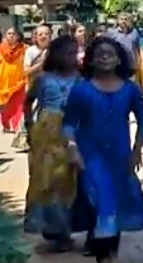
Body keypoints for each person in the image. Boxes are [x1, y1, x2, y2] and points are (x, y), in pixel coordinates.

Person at [62, 37, 143, 263]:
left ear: (119, 59)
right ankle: (105, 258)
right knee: (104, 202)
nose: (104, 57)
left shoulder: (130, 90)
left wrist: (137, 150)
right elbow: (69, 123)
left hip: (121, 157)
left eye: (110, 53)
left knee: (115, 204)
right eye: (99, 53)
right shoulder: (81, 90)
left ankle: (110, 253)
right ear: (90, 60)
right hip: (90, 156)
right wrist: (72, 148)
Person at [23, 35, 81, 251]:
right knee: (47, 180)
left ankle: (66, 229)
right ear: (56, 55)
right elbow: (28, 101)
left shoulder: (81, 79)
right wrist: (29, 124)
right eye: (67, 53)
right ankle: (52, 229)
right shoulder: (43, 79)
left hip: (72, 133)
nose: (72, 57)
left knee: (68, 181)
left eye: (74, 53)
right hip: (46, 134)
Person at [12, 25, 52, 150]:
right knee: (32, 112)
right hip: (34, 86)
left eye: (46, 34)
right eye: (40, 34)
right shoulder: (31, 51)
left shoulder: (54, 50)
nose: (43, 36)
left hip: (50, 87)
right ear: (35, 37)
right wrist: (41, 63)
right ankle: (25, 137)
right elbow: (26, 71)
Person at [0, 27, 27, 133]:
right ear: (5, 36)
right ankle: (6, 125)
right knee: (5, 106)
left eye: (13, 33)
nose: (11, 35)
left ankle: (17, 127)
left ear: (18, 36)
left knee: (18, 105)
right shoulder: (1, 48)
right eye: (9, 33)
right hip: (3, 83)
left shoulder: (24, 48)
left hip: (19, 83)